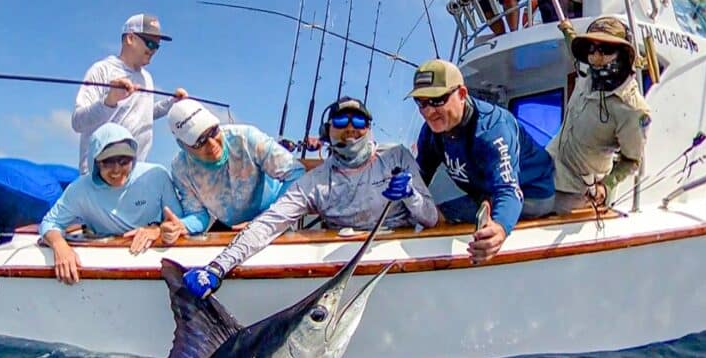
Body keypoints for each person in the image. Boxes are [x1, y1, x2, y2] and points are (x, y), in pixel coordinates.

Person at [176, 97, 440, 298]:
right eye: (340, 122)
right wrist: (217, 268)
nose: (350, 128)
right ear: (328, 130)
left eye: (359, 122)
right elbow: (270, 222)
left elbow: (430, 219)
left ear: (369, 128)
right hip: (347, 272)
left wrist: (410, 195)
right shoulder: (315, 181)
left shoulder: (397, 156)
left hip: (400, 267)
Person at [409, 59, 555, 264]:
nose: (429, 111)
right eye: (421, 103)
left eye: (437, 100)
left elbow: (508, 190)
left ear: (461, 94)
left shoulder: (493, 128)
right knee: (431, 214)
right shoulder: (432, 132)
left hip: (532, 191)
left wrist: (501, 228)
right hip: (485, 195)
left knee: (440, 216)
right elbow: (419, 176)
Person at [39, 122, 183, 284]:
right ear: (95, 162)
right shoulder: (79, 189)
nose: (116, 170)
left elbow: (179, 221)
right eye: (107, 162)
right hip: (107, 259)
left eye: (124, 161)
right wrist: (60, 247)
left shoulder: (157, 175)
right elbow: (50, 222)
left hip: (153, 258)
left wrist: (157, 230)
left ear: (133, 158)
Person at [158, 99, 306, 242]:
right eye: (199, 141)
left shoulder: (246, 137)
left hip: (275, 219)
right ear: (182, 145)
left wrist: (266, 221)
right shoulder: (180, 168)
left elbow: (296, 173)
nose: (211, 144)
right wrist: (182, 226)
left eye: (213, 131)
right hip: (232, 230)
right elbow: (198, 214)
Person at [549, 17, 651, 213]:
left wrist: (606, 186)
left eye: (605, 50)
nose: (596, 57)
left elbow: (631, 161)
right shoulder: (587, 71)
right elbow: (574, 48)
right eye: (591, 49)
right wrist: (567, 30)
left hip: (574, 190)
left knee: (526, 207)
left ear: (622, 55)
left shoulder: (633, 109)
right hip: (550, 163)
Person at [71, 12, 187, 174]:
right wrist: (109, 100)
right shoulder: (101, 70)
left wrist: (170, 103)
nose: (153, 50)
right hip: (99, 175)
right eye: (150, 43)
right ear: (130, 39)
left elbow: (143, 113)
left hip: (133, 175)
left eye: (157, 46)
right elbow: (77, 122)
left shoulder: (147, 78)